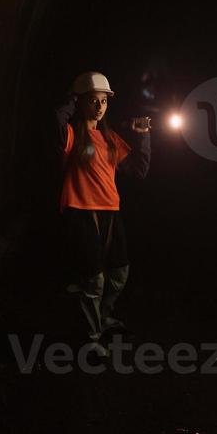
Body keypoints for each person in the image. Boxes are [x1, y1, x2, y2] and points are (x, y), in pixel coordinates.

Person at [55, 71, 151, 355]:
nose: (99, 106)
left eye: (104, 101)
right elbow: (57, 122)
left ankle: (103, 316)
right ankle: (91, 338)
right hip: (81, 210)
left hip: (111, 210)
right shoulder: (71, 135)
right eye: (93, 100)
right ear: (80, 102)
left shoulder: (109, 139)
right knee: (93, 278)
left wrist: (143, 136)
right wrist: (70, 101)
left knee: (119, 273)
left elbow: (138, 170)